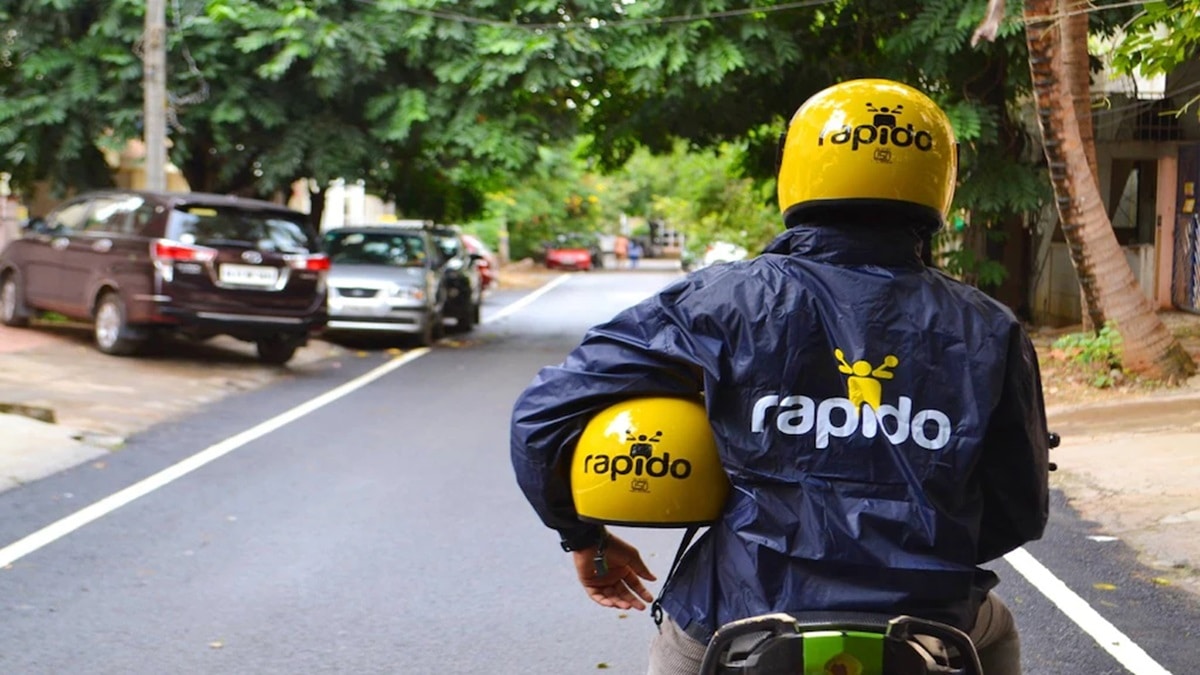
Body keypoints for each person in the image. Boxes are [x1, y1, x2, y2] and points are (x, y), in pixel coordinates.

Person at [510, 78, 1050, 675]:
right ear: (938, 179)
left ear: (798, 169)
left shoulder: (719, 301)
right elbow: (1019, 508)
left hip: (737, 615)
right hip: (928, 622)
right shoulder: (989, 328)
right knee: (994, 634)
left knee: (678, 649)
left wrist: (583, 538)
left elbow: (545, 413)